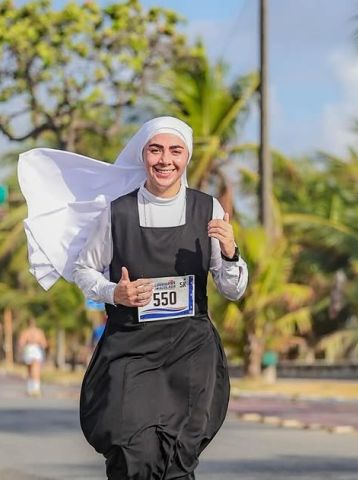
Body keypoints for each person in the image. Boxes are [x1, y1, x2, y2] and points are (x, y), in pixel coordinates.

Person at [18, 116, 248, 479]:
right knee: (132, 455)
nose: (165, 160)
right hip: (131, 348)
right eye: (155, 150)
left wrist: (232, 252)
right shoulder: (116, 211)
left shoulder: (209, 209)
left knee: (177, 458)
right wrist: (115, 292)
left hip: (190, 351)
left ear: (186, 157)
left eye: (175, 151)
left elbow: (232, 289)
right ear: (142, 155)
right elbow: (84, 270)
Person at [18, 318, 48, 397]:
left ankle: (30, 388)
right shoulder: (39, 332)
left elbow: (21, 343)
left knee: (29, 369)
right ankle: (36, 389)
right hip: (36, 349)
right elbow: (44, 344)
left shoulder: (25, 332)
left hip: (28, 349)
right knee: (36, 369)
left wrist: (22, 351)